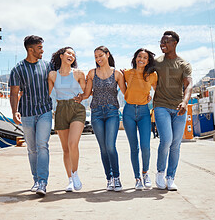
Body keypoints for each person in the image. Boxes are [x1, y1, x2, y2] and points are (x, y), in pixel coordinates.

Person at [76, 46, 126, 191]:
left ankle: (117, 178)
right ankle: (109, 179)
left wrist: (144, 94)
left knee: (110, 145)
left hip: (112, 112)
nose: (98, 59)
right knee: (103, 148)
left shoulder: (117, 74)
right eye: (96, 57)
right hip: (96, 113)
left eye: (100, 56)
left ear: (107, 55)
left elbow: (126, 93)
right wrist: (79, 97)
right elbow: (86, 94)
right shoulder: (92, 73)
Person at [9, 35, 53, 196]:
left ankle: (42, 182)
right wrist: (14, 111)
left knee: (42, 145)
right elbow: (14, 93)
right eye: (40, 47)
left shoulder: (47, 66)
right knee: (32, 149)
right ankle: (36, 180)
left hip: (45, 111)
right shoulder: (18, 69)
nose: (42, 50)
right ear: (30, 49)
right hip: (26, 113)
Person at [153, 31, 193, 191]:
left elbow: (189, 85)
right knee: (166, 140)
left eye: (166, 42)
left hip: (178, 108)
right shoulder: (156, 62)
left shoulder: (184, 64)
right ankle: (160, 173)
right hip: (161, 105)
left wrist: (185, 102)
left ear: (175, 43)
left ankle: (171, 178)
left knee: (176, 144)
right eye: (161, 41)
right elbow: (142, 72)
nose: (162, 44)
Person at [48, 47, 86, 192]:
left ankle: (75, 174)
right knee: (65, 149)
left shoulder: (78, 73)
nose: (72, 56)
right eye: (69, 53)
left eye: (74, 55)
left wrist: (82, 97)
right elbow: (47, 94)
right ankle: (70, 179)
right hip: (61, 110)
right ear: (61, 56)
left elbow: (87, 92)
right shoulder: (52, 75)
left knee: (72, 143)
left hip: (76, 109)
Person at [122, 48, 157, 190]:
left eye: (145, 57)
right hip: (128, 112)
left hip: (143, 112)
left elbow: (157, 91)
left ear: (148, 61)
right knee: (134, 147)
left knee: (146, 146)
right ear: (135, 58)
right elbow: (121, 87)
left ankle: (145, 173)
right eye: (139, 56)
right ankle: (137, 178)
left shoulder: (152, 75)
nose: (141, 59)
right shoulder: (126, 73)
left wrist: (151, 97)